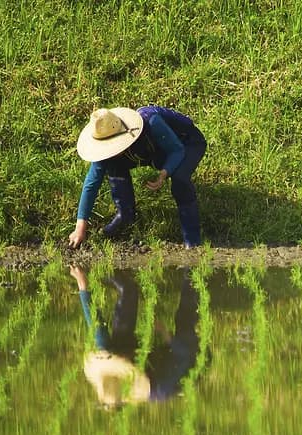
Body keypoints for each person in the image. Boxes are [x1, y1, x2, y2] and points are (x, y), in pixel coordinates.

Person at [68, 106, 207, 248]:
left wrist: (164, 173)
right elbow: (91, 183)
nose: (111, 150)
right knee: (113, 164)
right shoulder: (106, 146)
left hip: (185, 143)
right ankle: (125, 215)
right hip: (151, 150)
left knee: (179, 178)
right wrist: (80, 228)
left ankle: (192, 239)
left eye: (113, 145)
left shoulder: (152, 123)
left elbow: (177, 150)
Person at [70, 265, 201, 407]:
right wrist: (164, 332)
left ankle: (99, 266)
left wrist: (83, 286)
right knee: (185, 319)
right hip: (188, 359)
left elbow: (96, 326)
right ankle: (194, 267)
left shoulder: (110, 353)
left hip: (142, 359)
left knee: (129, 291)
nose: (115, 358)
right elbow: (184, 353)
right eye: (118, 361)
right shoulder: (162, 386)